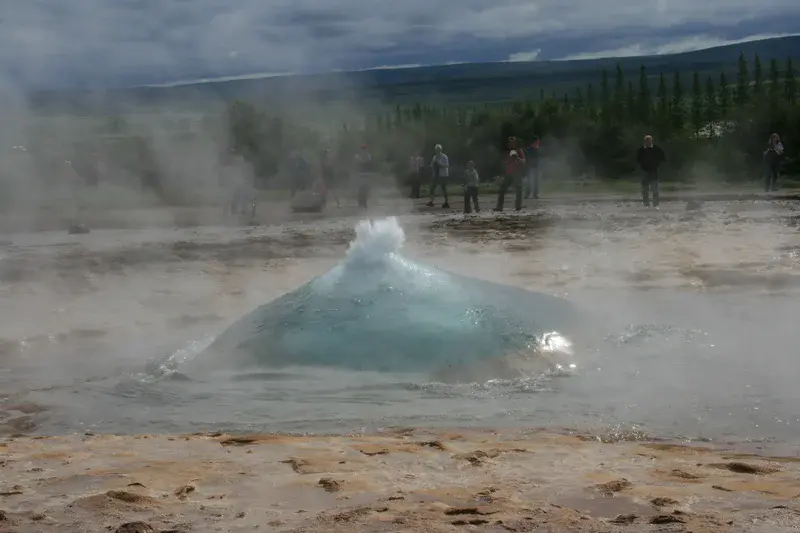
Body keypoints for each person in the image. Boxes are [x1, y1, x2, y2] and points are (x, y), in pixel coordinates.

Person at [494, 136, 526, 212]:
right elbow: (504, 163)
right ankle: (499, 207)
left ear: (515, 143)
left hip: (517, 173)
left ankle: (518, 207)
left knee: (518, 191)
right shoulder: (508, 152)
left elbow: (523, 162)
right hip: (508, 174)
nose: (511, 144)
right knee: (502, 190)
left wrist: (517, 158)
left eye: (513, 142)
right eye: (510, 143)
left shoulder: (519, 151)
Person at [635, 135, 666, 208]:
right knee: (645, 189)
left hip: (654, 171)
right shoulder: (641, 150)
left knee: (655, 189)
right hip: (645, 171)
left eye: (649, 140)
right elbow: (638, 159)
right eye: (646, 140)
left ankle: (656, 204)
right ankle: (646, 204)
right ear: (644, 141)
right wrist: (642, 165)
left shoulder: (656, 149)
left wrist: (657, 164)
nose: (648, 142)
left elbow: (662, 157)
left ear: (651, 141)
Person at [426, 144, 450, 208]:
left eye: (439, 149)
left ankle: (446, 202)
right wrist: (430, 166)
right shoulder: (434, 156)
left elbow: (447, 165)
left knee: (443, 188)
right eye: (436, 149)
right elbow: (432, 165)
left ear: (441, 150)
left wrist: (439, 164)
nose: (437, 151)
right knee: (432, 188)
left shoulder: (444, 156)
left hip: (443, 174)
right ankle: (431, 201)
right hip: (436, 174)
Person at [354, 144, 372, 208]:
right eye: (363, 148)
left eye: (364, 148)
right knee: (363, 189)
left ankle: (362, 203)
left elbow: (356, 164)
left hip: (363, 174)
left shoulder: (359, 156)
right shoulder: (367, 155)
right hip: (362, 174)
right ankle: (362, 203)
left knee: (363, 189)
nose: (363, 150)